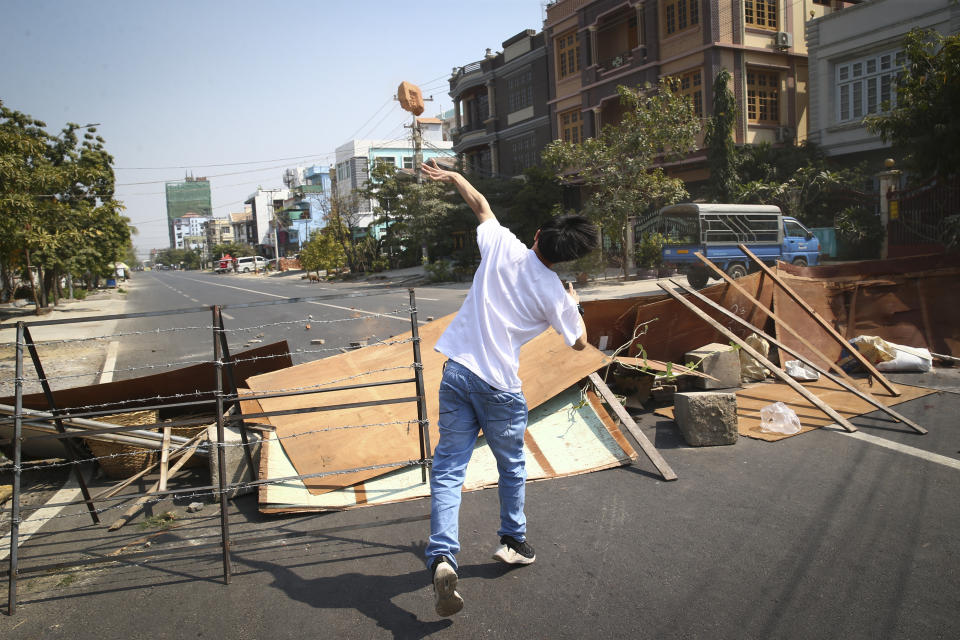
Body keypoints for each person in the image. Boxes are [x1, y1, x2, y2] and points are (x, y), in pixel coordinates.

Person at [420, 159, 600, 617]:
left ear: (538, 236)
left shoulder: (503, 245)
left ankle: (442, 556)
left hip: (458, 372)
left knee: (447, 469)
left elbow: (481, 206)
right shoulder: (556, 292)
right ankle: (512, 541)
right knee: (511, 465)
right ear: (564, 256)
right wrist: (573, 302)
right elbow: (580, 343)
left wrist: (453, 176)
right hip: (499, 386)